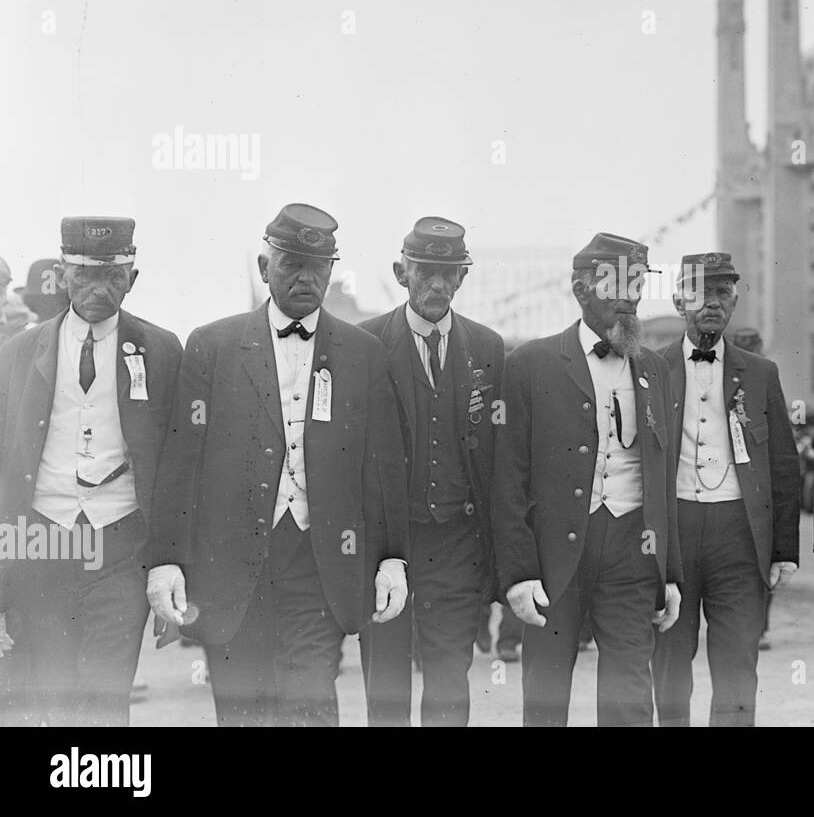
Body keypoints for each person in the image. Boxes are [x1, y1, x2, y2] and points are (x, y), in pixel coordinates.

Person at [145, 204, 410, 726]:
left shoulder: (364, 353)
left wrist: (392, 559)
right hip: (230, 568)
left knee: (311, 699)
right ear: (265, 268)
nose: (305, 278)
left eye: (318, 266)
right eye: (291, 264)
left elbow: (383, 471)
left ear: (333, 271)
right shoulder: (212, 346)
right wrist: (166, 559)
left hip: (321, 565)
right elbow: (182, 464)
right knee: (241, 709)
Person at [492, 232, 682, 726]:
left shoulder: (655, 369)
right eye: (616, 286)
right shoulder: (531, 364)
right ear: (580, 290)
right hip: (556, 561)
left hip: (631, 555)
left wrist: (672, 572)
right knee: (546, 697)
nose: (630, 298)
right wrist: (518, 574)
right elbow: (508, 479)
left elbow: (663, 477)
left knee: (631, 696)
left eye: (637, 285)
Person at [0, 217, 182, 725]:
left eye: (113, 275)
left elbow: (176, 467)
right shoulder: (16, 355)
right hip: (45, 543)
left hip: (122, 547)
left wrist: (172, 565)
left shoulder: (163, 351)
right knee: (50, 692)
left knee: (106, 694)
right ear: (62, 275)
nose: (98, 289)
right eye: (83, 274)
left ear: (133, 277)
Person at [358, 217, 505, 726]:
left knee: (449, 677)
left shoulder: (486, 348)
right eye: (426, 271)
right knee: (387, 680)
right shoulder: (366, 344)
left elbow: (495, 455)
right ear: (402, 272)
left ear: (462, 278)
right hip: (387, 546)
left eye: (450, 273)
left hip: (457, 544)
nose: (439, 285)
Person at [651, 253, 800, 726]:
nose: (711, 303)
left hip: (737, 534)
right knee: (671, 659)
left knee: (738, 659)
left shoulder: (760, 373)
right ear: (679, 301)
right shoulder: (649, 370)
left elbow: (783, 463)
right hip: (673, 532)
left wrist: (783, 550)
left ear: (734, 302)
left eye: (722, 293)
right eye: (699, 293)